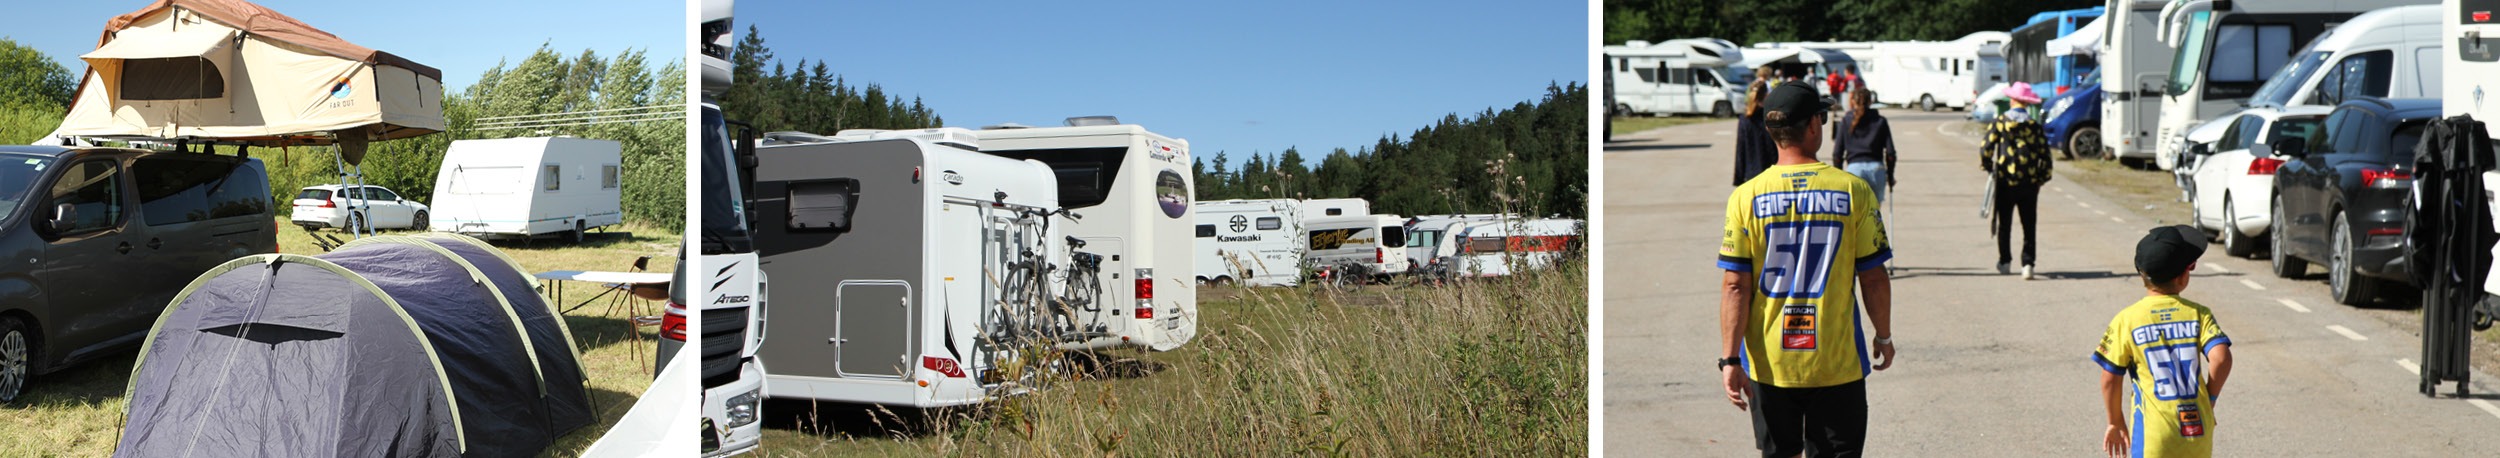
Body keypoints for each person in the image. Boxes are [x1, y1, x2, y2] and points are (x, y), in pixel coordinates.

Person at [1717, 80, 1896, 458]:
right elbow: (1874, 276)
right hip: (1837, 361)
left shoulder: (1745, 197)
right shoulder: (1853, 191)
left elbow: (1735, 285)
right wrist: (1883, 335)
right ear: (1814, 125)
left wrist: (1731, 358)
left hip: (1770, 362)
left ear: (1770, 130)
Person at [2094, 225, 2235, 458]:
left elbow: (2110, 379)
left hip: (2153, 436)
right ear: (2182, 277)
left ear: (2141, 273)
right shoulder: (2198, 314)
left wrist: (2115, 422)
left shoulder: (2127, 320)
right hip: (2197, 431)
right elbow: (2221, 357)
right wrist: (2209, 399)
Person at [1982, 83, 2051, 279]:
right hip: (2029, 183)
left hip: (2005, 181)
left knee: (2005, 223)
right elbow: (2045, 156)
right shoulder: (2034, 126)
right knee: (2029, 224)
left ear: (2012, 100)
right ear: (2028, 103)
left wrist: (1989, 168)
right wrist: (2041, 178)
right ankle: (2028, 264)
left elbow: (1985, 148)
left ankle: (2005, 261)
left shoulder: (2000, 122)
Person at [1832, 86, 1898, 204]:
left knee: (1855, 214)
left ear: (1853, 101)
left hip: (1854, 170)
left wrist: (1839, 177)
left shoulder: (1846, 121)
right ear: (1870, 102)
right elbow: (1890, 153)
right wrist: (1890, 175)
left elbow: (1837, 154)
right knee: (1874, 215)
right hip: (1876, 169)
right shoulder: (1880, 121)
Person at [1733, 66, 1780, 186]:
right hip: (1771, 174)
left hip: (1751, 175)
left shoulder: (1745, 119)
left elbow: (1740, 150)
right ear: (1766, 96)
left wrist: (1738, 178)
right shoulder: (1770, 118)